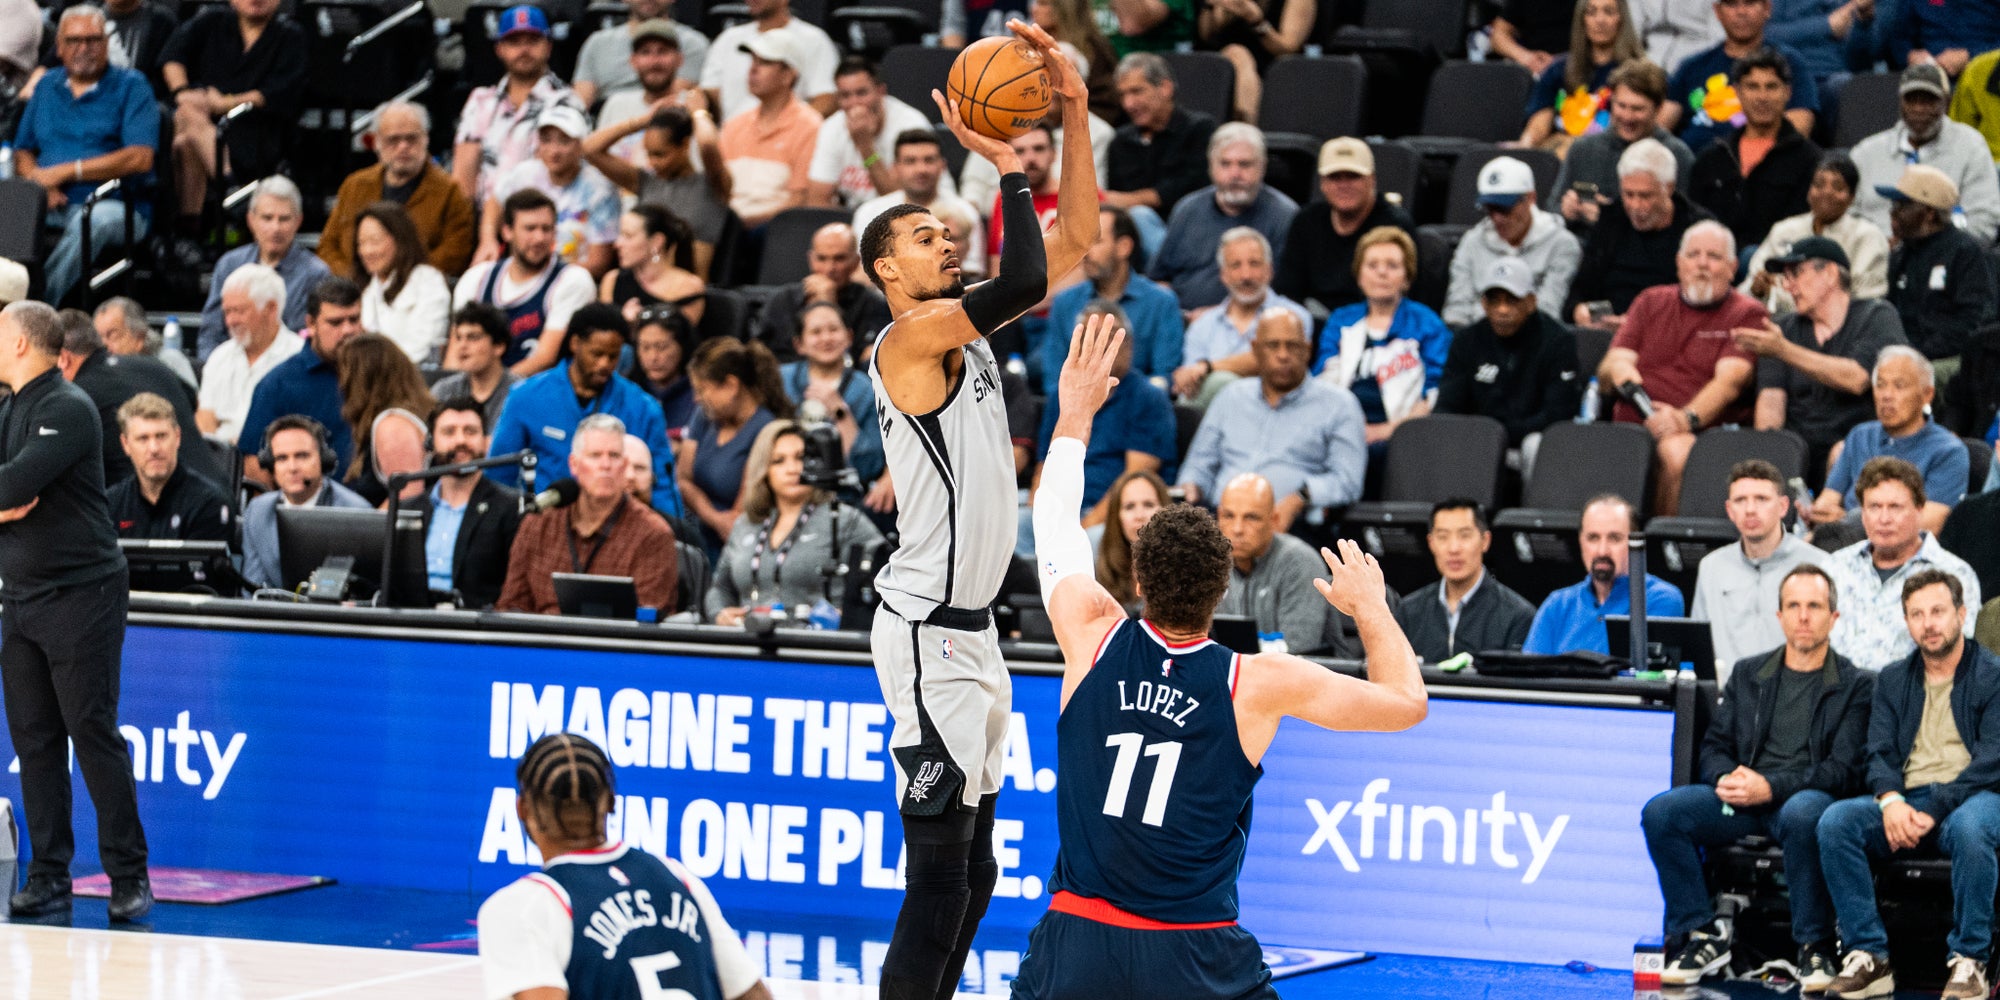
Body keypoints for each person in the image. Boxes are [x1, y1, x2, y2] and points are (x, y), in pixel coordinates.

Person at [1017, 314, 1424, 1000]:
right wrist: (1372, 607)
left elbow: (1053, 516)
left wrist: (1077, 411)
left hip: (1077, 938)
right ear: (1222, 587)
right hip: (1192, 951)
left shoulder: (1091, 630)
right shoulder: (1256, 682)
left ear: (1136, 579)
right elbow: (1406, 704)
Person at [854, 20, 1096, 1000]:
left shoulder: (963, 328)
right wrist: (1003, 164)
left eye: (943, 230)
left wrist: (1073, 113)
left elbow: (1073, 243)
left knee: (978, 870)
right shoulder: (910, 340)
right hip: (926, 632)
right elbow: (1031, 275)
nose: (944, 238)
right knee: (939, 876)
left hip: (976, 634)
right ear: (886, 270)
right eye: (923, 237)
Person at [1645, 563, 1867, 991]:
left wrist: (1770, 786)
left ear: (1834, 617)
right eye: (1794, 606)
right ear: (1779, 615)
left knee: (1804, 812)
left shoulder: (1855, 684)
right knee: (1662, 813)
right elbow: (1713, 746)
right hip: (1743, 799)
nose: (1804, 616)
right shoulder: (1749, 673)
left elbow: (1844, 770)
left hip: (1801, 799)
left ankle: (1815, 945)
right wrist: (1727, 777)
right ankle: (1704, 932)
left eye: (1815, 606)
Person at [0, 300, 151, 922]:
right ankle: (49, 876)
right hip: (19, 598)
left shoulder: (68, 406)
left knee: (91, 733)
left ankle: (129, 875)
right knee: (34, 741)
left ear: (20, 343)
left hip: (82, 595)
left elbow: (13, 485)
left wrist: (6, 497)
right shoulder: (9, 407)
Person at [1817, 569, 2000, 1000]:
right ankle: (1869, 955)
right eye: (1916, 614)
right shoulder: (1893, 678)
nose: (1928, 623)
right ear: (1906, 621)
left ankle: (1970, 959)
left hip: (1974, 796)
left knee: (1973, 829)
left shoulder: (1993, 675)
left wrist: (1934, 807)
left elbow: (1993, 760)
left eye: (1938, 611)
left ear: (1961, 614)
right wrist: (1891, 800)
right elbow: (1878, 752)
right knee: (1836, 822)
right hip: (1908, 798)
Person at [478, 732, 771, 1000]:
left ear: (522, 808)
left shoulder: (523, 908)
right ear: (611, 801)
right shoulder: (678, 877)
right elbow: (754, 995)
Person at [1597, 220, 1764, 514]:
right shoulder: (1650, 301)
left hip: (1699, 433)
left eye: (1714, 257)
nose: (1702, 264)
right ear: (1679, 263)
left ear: (1733, 267)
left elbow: (1729, 383)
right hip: (1632, 423)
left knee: (1678, 451)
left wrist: (1684, 419)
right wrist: (1623, 375)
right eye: (1693, 255)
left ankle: (1661, 538)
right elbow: (1613, 363)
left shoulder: (1747, 313)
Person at [12, 5, 158, 307]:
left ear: (106, 43)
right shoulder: (46, 86)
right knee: (11, 205)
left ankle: (36, 306)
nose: (84, 48)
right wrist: (41, 184)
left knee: (93, 220)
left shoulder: (133, 86)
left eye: (92, 40)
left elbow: (140, 157)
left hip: (115, 203)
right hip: (50, 201)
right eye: (74, 41)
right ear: (59, 47)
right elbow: (22, 152)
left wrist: (68, 171)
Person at [487, 303, 683, 518]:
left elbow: (663, 485)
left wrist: (670, 528)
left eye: (613, 356)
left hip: (618, 523)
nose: (604, 364)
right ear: (575, 343)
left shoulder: (643, 407)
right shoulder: (526, 397)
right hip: (546, 520)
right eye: (596, 354)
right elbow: (499, 474)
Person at [1179, 309, 1367, 523]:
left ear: (1307, 350)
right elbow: (1198, 465)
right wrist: (1190, 488)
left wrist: (1301, 497)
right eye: (1273, 345)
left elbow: (1348, 481)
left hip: (1290, 524)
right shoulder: (1231, 396)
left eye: (1292, 346)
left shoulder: (1340, 404)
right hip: (1220, 519)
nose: (1283, 355)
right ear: (1255, 349)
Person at [1742, 235, 1904, 483]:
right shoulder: (1782, 330)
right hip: (1798, 454)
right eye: (1785, 277)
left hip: (1858, 451)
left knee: (1844, 453)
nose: (1788, 286)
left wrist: (1784, 350)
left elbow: (1857, 378)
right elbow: (1770, 408)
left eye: (1796, 273)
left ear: (1830, 273)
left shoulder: (1876, 316)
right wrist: (1768, 462)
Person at [705, 419, 886, 625]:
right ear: (763, 469)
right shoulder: (744, 525)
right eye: (779, 461)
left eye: (801, 458)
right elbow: (719, 588)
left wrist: (853, 616)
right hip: (748, 638)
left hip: (818, 641)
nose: (792, 469)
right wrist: (720, 614)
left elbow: (886, 574)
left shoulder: (844, 519)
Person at [497, 413, 680, 615]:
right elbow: (512, 604)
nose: (606, 465)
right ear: (574, 465)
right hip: (542, 634)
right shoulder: (538, 522)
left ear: (624, 465)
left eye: (614, 456)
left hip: (616, 634)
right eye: (595, 455)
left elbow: (648, 618)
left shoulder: (653, 534)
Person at [159, 0, 306, 230]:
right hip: (206, 125)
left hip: (255, 131)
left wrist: (225, 103)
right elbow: (172, 57)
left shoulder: (290, 35)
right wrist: (182, 92)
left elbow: (279, 92)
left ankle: (189, 229)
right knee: (185, 129)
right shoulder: (211, 20)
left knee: (186, 133)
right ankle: (229, 187)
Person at [1029, 303, 1177, 528]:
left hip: (1115, 518)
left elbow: (1134, 480)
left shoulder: (1149, 398)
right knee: (1015, 528)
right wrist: (1039, 516)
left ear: (1128, 345)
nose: (1101, 345)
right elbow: (1044, 465)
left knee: (1095, 539)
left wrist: (1081, 528)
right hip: (1058, 513)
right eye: (1091, 336)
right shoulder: (1061, 395)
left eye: (1110, 336)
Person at [1433, 257, 1583, 474]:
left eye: (1512, 300)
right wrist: (1479, 438)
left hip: (1527, 442)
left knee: (1537, 445)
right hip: (1478, 444)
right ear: (1484, 304)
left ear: (1531, 302)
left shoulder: (1558, 341)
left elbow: (1559, 413)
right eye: (1494, 300)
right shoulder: (1466, 340)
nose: (1502, 310)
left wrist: (1500, 434)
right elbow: (1446, 406)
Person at [1825, 457, 1981, 667]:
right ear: (1862, 512)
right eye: (1874, 507)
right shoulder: (1835, 567)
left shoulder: (1955, 574)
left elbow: (1958, 659)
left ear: (1919, 509)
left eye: (1895, 507)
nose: (1884, 519)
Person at [1314, 227, 1451, 456]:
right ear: (1359, 276)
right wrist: (1347, 429)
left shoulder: (1428, 324)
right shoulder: (1341, 320)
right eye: (1372, 265)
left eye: (1392, 266)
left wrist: (1387, 431)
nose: (1382, 273)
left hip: (1404, 439)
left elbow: (1434, 395)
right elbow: (1323, 382)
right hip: (1341, 432)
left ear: (1407, 277)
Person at [1813, 348, 1968, 534]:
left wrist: (1847, 523)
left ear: (1927, 395)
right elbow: (1829, 497)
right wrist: (1819, 512)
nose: (1886, 395)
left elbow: (1928, 524)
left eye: (1899, 386)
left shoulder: (1949, 451)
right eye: (1880, 385)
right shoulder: (1860, 435)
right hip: (1842, 540)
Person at [317, 101, 476, 281]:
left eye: (411, 139)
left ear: (426, 139)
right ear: (376, 142)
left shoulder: (451, 192)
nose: (403, 147)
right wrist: (358, 280)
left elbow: (455, 254)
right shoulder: (354, 186)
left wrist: (398, 281)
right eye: (393, 140)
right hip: (354, 289)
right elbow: (327, 247)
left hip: (419, 292)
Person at [1691, 460, 1830, 666]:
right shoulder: (1711, 567)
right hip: (1728, 685)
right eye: (1740, 500)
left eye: (1761, 499)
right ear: (1729, 510)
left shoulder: (1820, 565)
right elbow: (1698, 645)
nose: (1750, 509)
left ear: (1783, 506)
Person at [1685, 46, 1822, 252]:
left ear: (1787, 93)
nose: (1762, 97)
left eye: (1771, 87)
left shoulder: (1810, 160)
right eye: (1752, 87)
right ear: (1737, 93)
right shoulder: (1711, 159)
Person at [1147, 123, 1297, 312]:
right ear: (1211, 167)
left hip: (1251, 321)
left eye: (1244, 164)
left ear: (1262, 167)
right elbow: (1158, 278)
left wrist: (1215, 317)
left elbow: (1283, 294)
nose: (1235, 174)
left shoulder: (1285, 216)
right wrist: (1173, 312)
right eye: (1225, 164)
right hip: (1181, 319)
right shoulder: (1187, 209)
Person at [1567, 138, 1718, 324]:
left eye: (1645, 196)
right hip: (1606, 326)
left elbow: (1705, 304)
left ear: (1669, 188)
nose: (1636, 206)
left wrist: (1639, 326)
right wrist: (1579, 310)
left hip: (1668, 327)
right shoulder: (1612, 218)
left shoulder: (1699, 230)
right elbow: (1580, 288)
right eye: (1628, 194)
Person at [453, 189, 598, 375]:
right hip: (480, 386)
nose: (539, 238)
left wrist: (495, 389)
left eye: (546, 229)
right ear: (507, 231)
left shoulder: (572, 280)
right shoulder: (477, 278)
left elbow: (545, 359)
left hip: (541, 388)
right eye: (530, 229)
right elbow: (455, 355)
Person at [449, 5, 584, 206]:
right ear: (500, 49)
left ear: (548, 47)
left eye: (532, 41)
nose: (524, 50)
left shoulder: (567, 101)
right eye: (514, 42)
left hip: (544, 214)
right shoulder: (481, 101)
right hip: (483, 215)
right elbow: (463, 176)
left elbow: (570, 170)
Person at [57, 307, 205, 488]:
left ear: (63, 359)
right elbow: (192, 400)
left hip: (154, 497)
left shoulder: (77, 397)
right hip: (212, 490)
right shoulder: (150, 364)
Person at [237, 277, 365, 484]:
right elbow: (255, 466)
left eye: (354, 320)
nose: (348, 330)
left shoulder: (381, 373)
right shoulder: (278, 384)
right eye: (335, 322)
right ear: (311, 324)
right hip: (306, 501)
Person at [1852, 63, 2000, 243]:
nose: (1918, 109)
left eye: (1928, 101)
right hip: (1873, 252)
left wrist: (1932, 251)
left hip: (1947, 254)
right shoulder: (1866, 153)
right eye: (1911, 100)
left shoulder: (1971, 147)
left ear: (1947, 103)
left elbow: (1984, 221)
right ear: (1900, 102)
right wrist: (1874, 246)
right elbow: (1846, 216)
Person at [1523, 493, 1686, 654]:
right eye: (1593, 538)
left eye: (1614, 538)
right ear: (1580, 541)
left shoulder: (1660, 599)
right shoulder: (1557, 605)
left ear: (1635, 542)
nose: (1602, 551)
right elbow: (1531, 669)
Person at [1041, 207, 1182, 394]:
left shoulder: (1161, 302)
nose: (1085, 252)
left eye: (1096, 242)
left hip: (1137, 405)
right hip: (1074, 402)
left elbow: (1163, 377)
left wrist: (1113, 400)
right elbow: (1053, 378)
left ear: (1124, 247)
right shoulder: (1064, 303)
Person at [584, 104, 732, 281]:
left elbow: (707, 144)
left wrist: (697, 112)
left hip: (688, 287)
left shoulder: (712, 185)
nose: (652, 162)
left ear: (685, 144)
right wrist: (642, 121)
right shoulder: (646, 182)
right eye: (648, 154)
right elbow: (589, 149)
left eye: (660, 154)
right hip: (641, 284)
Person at [195, 175, 329, 364]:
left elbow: (305, 339)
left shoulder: (316, 273)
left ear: (298, 221)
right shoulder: (229, 265)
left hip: (286, 369)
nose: (275, 228)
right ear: (251, 220)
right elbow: (210, 332)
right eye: (267, 218)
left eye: (284, 219)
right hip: (230, 366)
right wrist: (216, 368)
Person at [1879, 165, 1998, 376]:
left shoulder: (1965, 252)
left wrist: (1920, 353)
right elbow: (1888, 311)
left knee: (1908, 379)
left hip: (1951, 357)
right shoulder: (1902, 254)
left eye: (1902, 205)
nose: (1893, 212)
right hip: (1904, 353)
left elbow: (1974, 321)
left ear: (1929, 213)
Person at [677, 336, 794, 552]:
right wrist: (713, 516)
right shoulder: (704, 414)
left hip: (739, 544)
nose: (696, 398)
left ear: (731, 385)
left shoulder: (765, 428)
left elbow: (738, 516)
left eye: (702, 389)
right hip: (699, 532)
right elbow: (682, 479)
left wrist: (707, 513)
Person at [1274, 137, 1417, 312]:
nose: (1344, 185)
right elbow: (1288, 291)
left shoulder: (1395, 225)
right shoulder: (1306, 221)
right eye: (1335, 177)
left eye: (1353, 176)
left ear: (1372, 180)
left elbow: (1409, 294)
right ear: (1322, 183)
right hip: (1313, 319)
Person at [1172, 228, 1311, 408]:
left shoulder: (1293, 316)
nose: (1246, 275)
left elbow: (1276, 361)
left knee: (1220, 381)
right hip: (1213, 416)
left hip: (1279, 410)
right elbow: (1190, 380)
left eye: (1254, 264)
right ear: (1223, 275)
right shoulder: (1203, 325)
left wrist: (1209, 367)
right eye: (1236, 265)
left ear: (1269, 270)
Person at [1660, 0, 1820, 154]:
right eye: (1731, 4)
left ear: (1767, 8)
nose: (1741, 12)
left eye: (1750, 3)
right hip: (1693, 164)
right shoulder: (1692, 66)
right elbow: (1659, 127)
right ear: (1717, 11)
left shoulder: (1789, 63)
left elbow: (1798, 128)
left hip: (1762, 164)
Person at [1441, 156, 1582, 329]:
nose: (1497, 218)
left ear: (1531, 198)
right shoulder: (1472, 242)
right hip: (1475, 338)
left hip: (1533, 339)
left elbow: (1548, 310)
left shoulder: (1561, 244)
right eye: (1490, 209)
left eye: (1504, 209)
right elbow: (1456, 310)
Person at [480, 105, 621, 278]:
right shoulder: (525, 173)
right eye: (546, 140)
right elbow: (495, 201)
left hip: (572, 277)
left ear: (580, 145)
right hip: (522, 271)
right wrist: (488, 238)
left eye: (564, 141)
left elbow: (598, 263)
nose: (554, 151)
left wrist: (544, 276)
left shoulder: (599, 189)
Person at [1738, 152, 1891, 312]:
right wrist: (1757, 290)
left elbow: (1864, 301)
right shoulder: (1785, 229)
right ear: (1808, 191)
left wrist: (1778, 296)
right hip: (1777, 318)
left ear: (1852, 197)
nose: (1827, 192)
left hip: (1842, 324)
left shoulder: (1867, 236)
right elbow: (1752, 282)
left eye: (1838, 187)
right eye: (1818, 185)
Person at [1554, 60, 1696, 230]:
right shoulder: (1583, 149)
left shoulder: (1677, 156)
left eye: (1637, 109)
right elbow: (1552, 207)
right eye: (1621, 106)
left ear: (1658, 109)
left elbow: (1686, 222)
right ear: (1611, 102)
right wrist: (1565, 211)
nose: (1627, 117)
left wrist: (1609, 220)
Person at [1392, 499, 1537, 662]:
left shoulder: (1518, 616)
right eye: (1443, 537)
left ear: (1485, 541)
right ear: (1431, 543)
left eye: (1465, 536)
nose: (1454, 548)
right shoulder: (1408, 611)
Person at [239, 415, 372, 590]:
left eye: (302, 456)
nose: (292, 467)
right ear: (271, 465)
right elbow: (253, 588)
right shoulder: (257, 511)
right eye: (282, 458)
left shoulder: (356, 512)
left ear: (323, 459)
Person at [413, 397, 522, 609]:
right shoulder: (409, 508)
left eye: (470, 431)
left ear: (486, 442)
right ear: (431, 444)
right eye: (449, 432)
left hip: (477, 624)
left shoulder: (511, 508)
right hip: (412, 622)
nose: (460, 440)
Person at [1104, 52, 1217, 257]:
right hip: (1134, 245)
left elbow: (1196, 187)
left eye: (1137, 91)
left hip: (1193, 231)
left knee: (1139, 213)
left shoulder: (1199, 130)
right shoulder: (1120, 142)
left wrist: (1133, 200)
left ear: (1165, 88)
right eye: (1122, 95)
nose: (1129, 104)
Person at [716, 31, 824, 229]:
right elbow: (719, 189)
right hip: (728, 225)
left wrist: (742, 224)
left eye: (765, 62)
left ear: (788, 75)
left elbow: (800, 200)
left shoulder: (810, 126)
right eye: (753, 60)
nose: (753, 69)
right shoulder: (734, 124)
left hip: (777, 229)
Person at [779, 302, 885, 497]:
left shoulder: (867, 389)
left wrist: (840, 412)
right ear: (799, 344)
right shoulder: (781, 380)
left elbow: (868, 465)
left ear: (849, 337)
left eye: (834, 329)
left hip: (843, 496)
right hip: (786, 489)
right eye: (816, 332)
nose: (826, 338)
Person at [851, 129, 987, 281]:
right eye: (910, 161)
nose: (921, 169)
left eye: (929, 160)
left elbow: (973, 272)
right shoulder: (870, 213)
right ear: (895, 167)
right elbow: (860, 273)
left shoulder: (965, 211)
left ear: (942, 165)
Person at [808, 57, 941, 210]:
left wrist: (865, 146)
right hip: (854, 216)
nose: (854, 103)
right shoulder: (831, 127)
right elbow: (817, 201)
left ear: (880, 91)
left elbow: (903, 204)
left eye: (861, 93)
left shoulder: (911, 125)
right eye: (845, 96)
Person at [1517, 0, 1646, 150]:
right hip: (1560, 153)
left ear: (1622, 19)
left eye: (1609, 12)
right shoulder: (1557, 70)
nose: (1600, 20)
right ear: (1582, 19)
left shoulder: (1639, 73)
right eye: (1591, 12)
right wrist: (1525, 148)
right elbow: (1536, 129)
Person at [196, 263, 301, 447]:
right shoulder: (220, 357)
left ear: (271, 309)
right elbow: (204, 421)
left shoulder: (299, 357)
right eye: (227, 312)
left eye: (240, 311)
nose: (231, 321)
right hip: (220, 457)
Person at [753, 221, 892, 360]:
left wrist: (828, 305)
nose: (829, 268)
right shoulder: (782, 299)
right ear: (811, 259)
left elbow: (863, 363)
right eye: (821, 258)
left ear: (855, 262)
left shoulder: (874, 304)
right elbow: (757, 353)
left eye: (839, 259)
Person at [105, 392, 230, 541]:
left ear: (177, 437)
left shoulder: (208, 504)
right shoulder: (111, 504)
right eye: (143, 438)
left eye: (161, 436)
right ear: (125, 444)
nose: (154, 448)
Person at [334, 334, 435, 503]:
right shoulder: (400, 418)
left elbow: (407, 499)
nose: (341, 384)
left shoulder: (393, 427)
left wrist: (361, 519)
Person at [701, 0, 838, 120]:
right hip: (732, 135)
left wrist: (791, 130)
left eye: (765, 62)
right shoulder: (728, 38)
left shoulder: (814, 40)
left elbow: (827, 99)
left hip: (789, 136)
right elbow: (708, 92)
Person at [355, 202, 452, 365]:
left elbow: (425, 345)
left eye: (375, 241)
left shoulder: (428, 280)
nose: (367, 251)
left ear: (400, 239)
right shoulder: (363, 288)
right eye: (361, 243)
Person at [571, 0, 706, 107]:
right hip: (606, 119)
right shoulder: (597, 43)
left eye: (662, 51)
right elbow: (579, 104)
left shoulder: (694, 43)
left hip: (667, 120)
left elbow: (671, 99)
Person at [592, 19, 687, 170]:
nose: (654, 62)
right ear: (633, 61)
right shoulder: (616, 104)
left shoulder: (692, 107)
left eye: (663, 51)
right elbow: (589, 151)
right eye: (645, 52)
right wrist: (640, 122)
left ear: (679, 59)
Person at [1196, 0, 1313, 122]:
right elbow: (1207, 37)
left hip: (1275, 68)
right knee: (1236, 54)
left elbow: (1288, 49)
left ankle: (1247, 123)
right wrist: (1209, 7)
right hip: (1227, 64)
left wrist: (1256, 21)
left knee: (1238, 55)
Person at [599, 205, 706, 326]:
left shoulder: (687, 287)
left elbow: (680, 335)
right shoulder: (612, 280)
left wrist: (636, 323)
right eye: (620, 235)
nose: (617, 244)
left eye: (628, 236)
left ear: (656, 241)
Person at [432, 303, 522, 431]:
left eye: (473, 337)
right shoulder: (444, 391)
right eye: (458, 338)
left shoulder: (520, 393)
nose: (462, 345)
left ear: (498, 346)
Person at [1093, 468, 1170, 615]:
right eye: (1129, 507)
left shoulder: (1184, 561)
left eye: (1148, 505)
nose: (1139, 516)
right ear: (1117, 516)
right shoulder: (1095, 551)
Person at [94, 296, 195, 387]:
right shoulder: (101, 372)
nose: (104, 345)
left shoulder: (170, 361)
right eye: (99, 338)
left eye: (112, 335)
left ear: (139, 338)